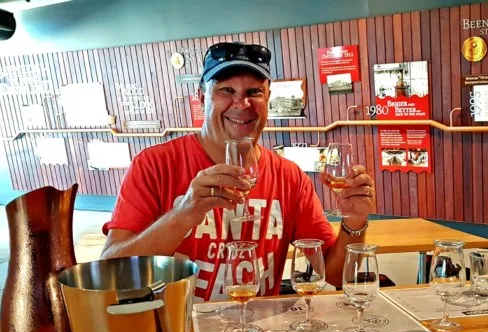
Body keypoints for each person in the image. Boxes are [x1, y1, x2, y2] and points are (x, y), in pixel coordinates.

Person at [100, 42, 376, 302]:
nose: (241, 104)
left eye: (254, 92)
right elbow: (112, 273)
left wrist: (354, 222)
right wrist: (181, 216)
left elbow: (335, 275)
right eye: (226, 91)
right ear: (201, 97)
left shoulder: (290, 177)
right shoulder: (154, 164)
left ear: (268, 98)